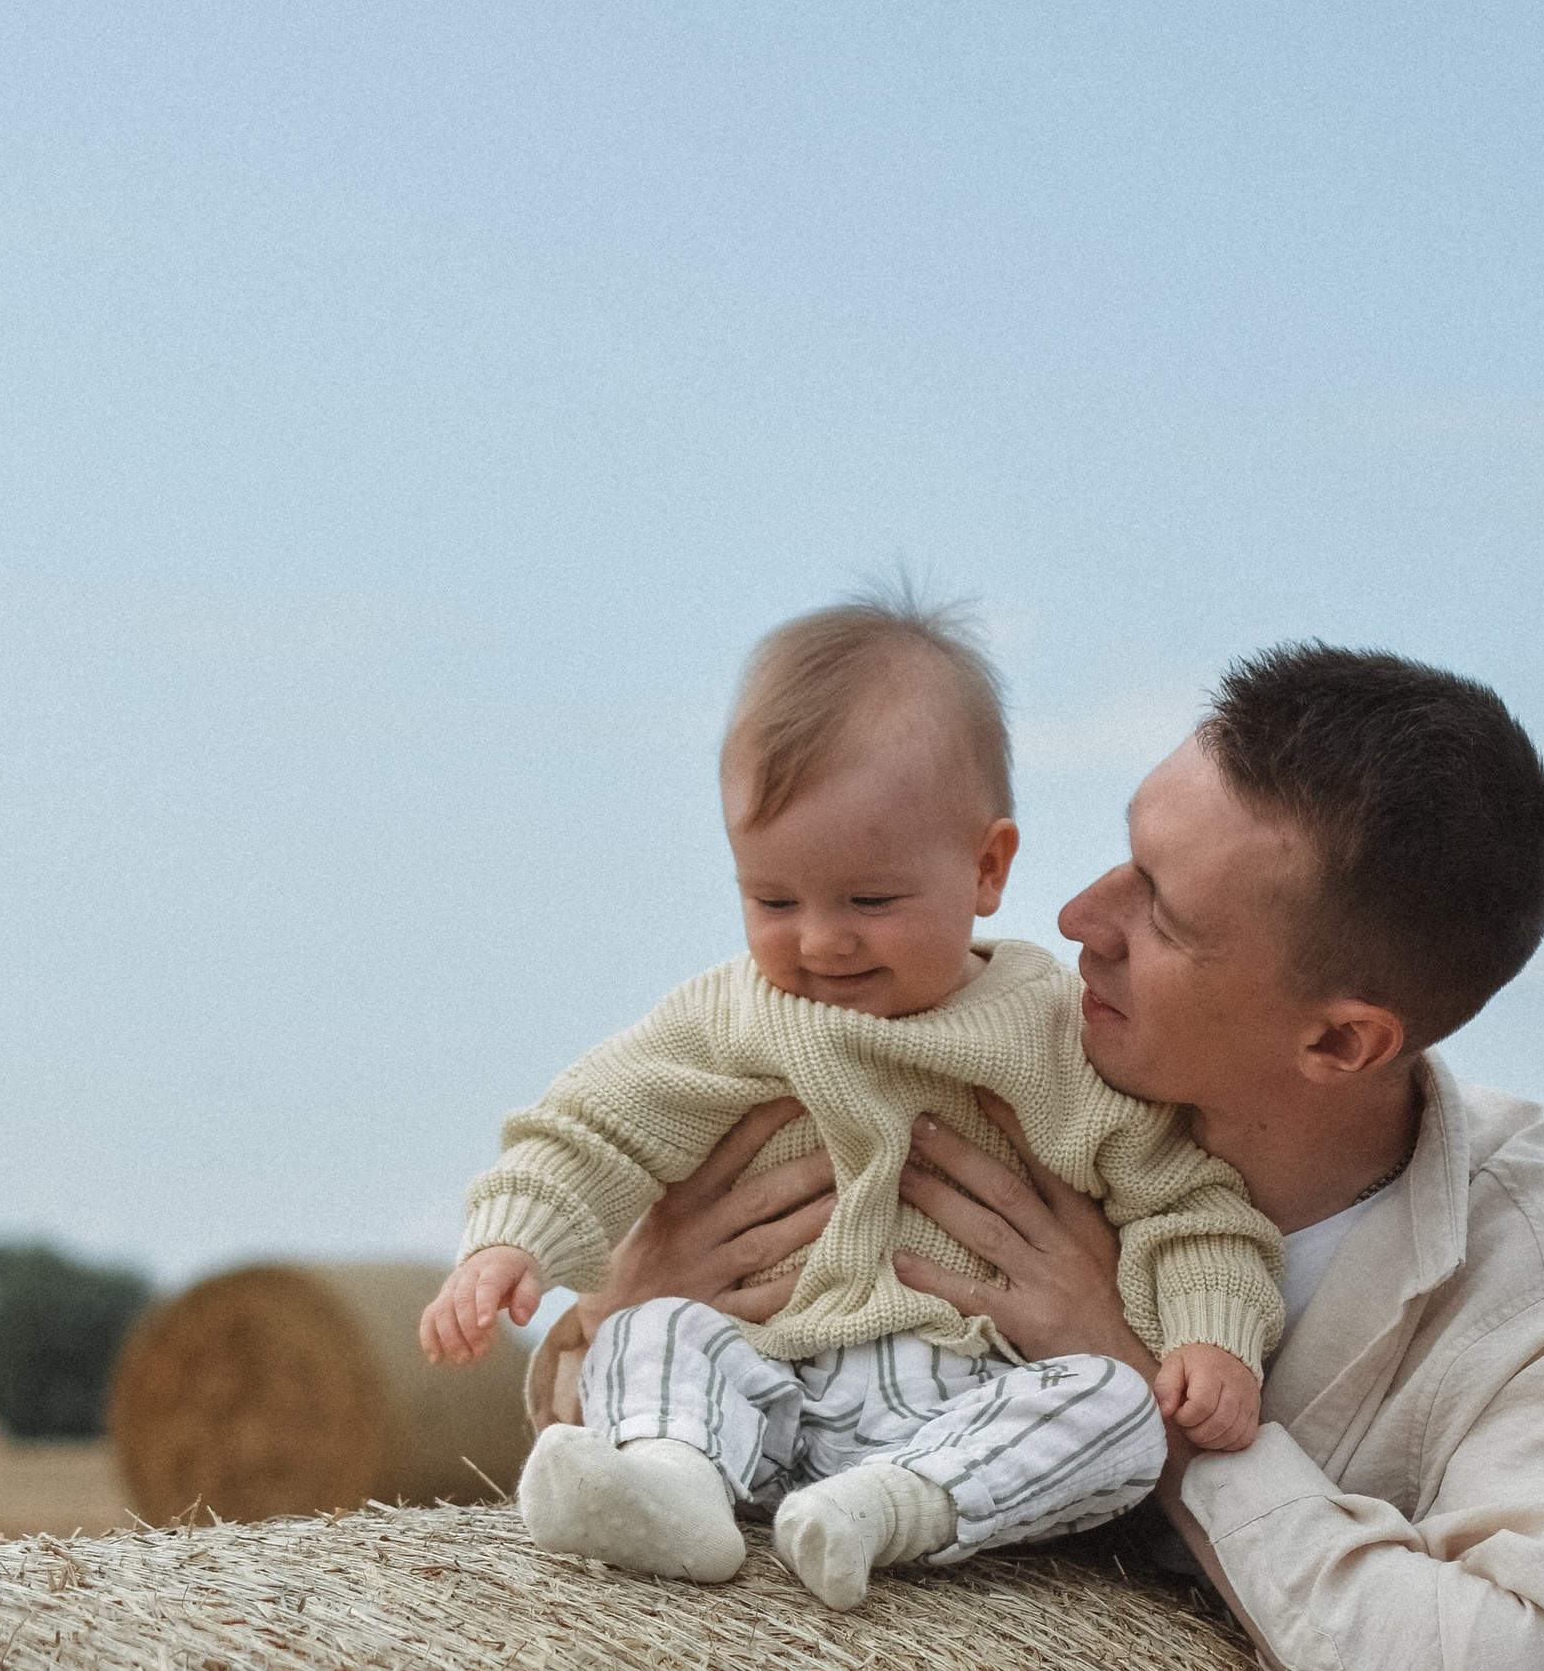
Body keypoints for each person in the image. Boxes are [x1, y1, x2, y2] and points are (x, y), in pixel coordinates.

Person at [559, 641, 1544, 1671]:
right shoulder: (950, 1051)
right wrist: (614, 1314)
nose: (1076, 918)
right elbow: (661, 1379)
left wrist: (1158, 1411)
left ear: (1339, 1043)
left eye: (1159, 909)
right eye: (1127, 852)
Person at [419, 600, 1284, 1611]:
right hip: (758, 1379)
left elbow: (1185, 1199)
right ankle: (671, 1488)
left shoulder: (1053, 1032)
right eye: (773, 901)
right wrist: (508, 1242)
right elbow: (593, 1127)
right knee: (644, 1327)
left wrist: (1211, 1334)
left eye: (871, 901)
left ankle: (889, 1510)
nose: (822, 941)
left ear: (987, 868)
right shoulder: (729, 1016)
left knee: (1118, 1407)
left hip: (966, 1401)